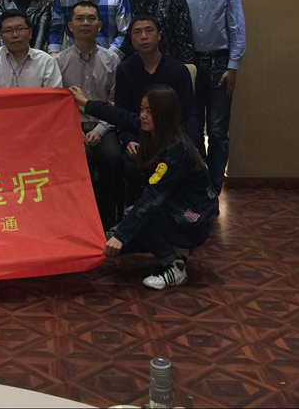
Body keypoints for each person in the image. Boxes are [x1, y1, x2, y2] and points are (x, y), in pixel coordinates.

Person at [70, 84, 217, 290]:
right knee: (117, 239)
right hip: (177, 207)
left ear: (164, 114)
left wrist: (121, 235)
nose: (143, 115)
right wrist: (86, 103)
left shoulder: (176, 150)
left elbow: (151, 199)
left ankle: (174, 266)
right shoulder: (155, 131)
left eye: (149, 111)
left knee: (138, 216)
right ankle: (177, 250)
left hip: (193, 219)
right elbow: (119, 116)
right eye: (142, 109)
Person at [171, 0, 246, 194]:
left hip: (220, 65)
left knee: (217, 131)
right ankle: (198, 186)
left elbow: (237, 29)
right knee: (191, 128)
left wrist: (233, 66)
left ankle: (214, 189)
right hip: (188, 66)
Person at [57, 1, 122, 229]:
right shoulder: (58, 61)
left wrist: (100, 130)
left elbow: (114, 102)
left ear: (100, 25)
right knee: (80, 159)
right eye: (80, 18)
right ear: (70, 26)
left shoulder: (112, 60)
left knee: (112, 158)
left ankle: (109, 225)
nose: (86, 23)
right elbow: (57, 105)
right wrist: (75, 129)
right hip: (72, 129)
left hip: (105, 126)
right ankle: (80, 224)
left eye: (91, 18)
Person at [115, 15, 201, 151]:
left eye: (149, 30)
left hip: (174, 140)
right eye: (137, 32)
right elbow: (122, 111)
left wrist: (191, 144)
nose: (144, 36)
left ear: (159, 35)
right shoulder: (125, 69)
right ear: (131, 40)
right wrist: (129, 140)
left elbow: (190, 113)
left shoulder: (178, 69)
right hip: (139, 139)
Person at [0, 11, 63, 88]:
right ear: (1, 35)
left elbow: (54, 95)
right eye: (8, 30)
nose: (15, 35)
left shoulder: (46, 61)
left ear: (30, 32)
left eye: (20, 29)